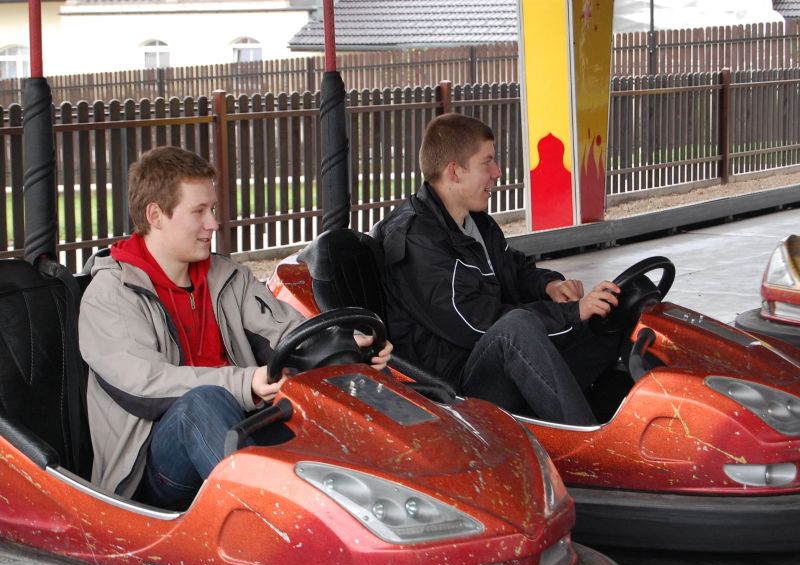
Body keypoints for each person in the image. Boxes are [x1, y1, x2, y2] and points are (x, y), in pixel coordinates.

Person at [79, 146, 392, 510]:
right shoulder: (112, 293)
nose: (213, 223)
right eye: (199, 211)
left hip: (241, 432)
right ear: (156, 215)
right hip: (153, 470)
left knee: (339, 386)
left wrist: (347, 347)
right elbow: (145, 384)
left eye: (212, 209)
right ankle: (276, 521)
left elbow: (286, 333)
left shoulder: (227, 276)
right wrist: (244, 383)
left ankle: (386, 498)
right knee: (203, 403)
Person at [371, 113, 620, 425]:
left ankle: (630, 419)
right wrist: (570, 313)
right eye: (487, 162)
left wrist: (550, 286)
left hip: (485, 359)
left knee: (616, 311)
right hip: (453, 384)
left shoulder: (474, 221)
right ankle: (586, 439)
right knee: (516, 328)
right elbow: (475, 323)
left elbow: (513, 268)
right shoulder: (415, 239)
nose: (497, 172)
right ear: (454, 172)